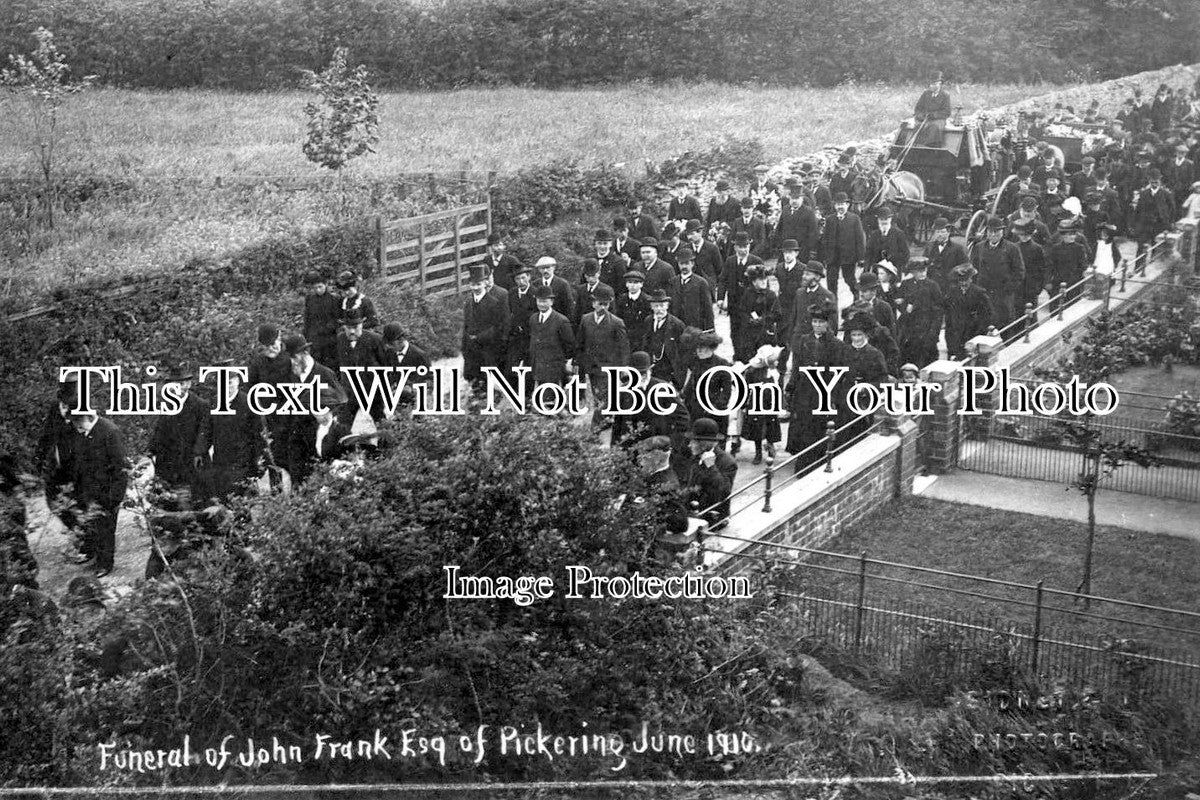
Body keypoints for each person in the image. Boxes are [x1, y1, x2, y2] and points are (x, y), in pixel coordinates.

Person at [784, 301, 847, 474]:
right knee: (803, 425)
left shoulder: (836, 345)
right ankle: (803, 462)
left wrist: (832, 397)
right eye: (815, 322)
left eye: (821, 322)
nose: (817, 325)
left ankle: (817, 461)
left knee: (819, 426)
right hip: (804, 391)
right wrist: (791, 388)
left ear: (827, 324)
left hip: (823, 392)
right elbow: (797, 366)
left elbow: (838, 374)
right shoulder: (804, 340)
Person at [69, 409, 130, 579]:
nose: (78, 429)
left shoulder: (110, 432)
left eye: (79, 424)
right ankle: (92, 555)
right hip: (88, 489)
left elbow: (121, 468)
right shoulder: (83, 431)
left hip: (107, 491)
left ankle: (105, 564)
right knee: (91, 525)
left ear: (87, 417)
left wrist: (115, 497)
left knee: (106, 529)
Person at [193, 367, 268, 503]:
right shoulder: (215, 403)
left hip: (242, 464)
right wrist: (199, 452)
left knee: (238, 503)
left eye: (230, 383)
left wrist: (259, 461)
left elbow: (260, 436)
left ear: (238, 381)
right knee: (221, 501)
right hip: (220, 462)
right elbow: (206, 429)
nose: (226, 387)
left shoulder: (249, 403)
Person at [148, 363, 208, 501]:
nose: (179, 387)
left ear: (188, 384)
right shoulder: (168, 404)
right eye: (176, 384)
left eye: (183, 383)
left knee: (193, 499)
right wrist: (152, 449)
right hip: (169, 460)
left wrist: (198, 452)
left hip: (191, 458)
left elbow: (204, 432)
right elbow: (160, 429)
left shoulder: (200, 405)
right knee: (167, 499)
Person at [576, 283, 630, 432]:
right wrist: (579, 363)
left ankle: (597, 429)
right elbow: (580, 343)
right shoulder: (585, 319)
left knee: (604, 399)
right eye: (600, 304)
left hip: (608, 368)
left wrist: (623, 368)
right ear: (593, 303)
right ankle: (605, 423)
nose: (603, 307)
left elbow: (624, 347)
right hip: (591, 367)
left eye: (606, 304)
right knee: (597, 397)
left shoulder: (616, 322)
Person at [676, 418, 736, 529]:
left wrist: (711, 467)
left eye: (693, 442)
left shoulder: (727, 462)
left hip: (713, 517)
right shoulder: (695, 457)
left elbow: (722, 492)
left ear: (703, 444)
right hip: (693, 512)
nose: (689, 445)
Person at [680, 332, 733, 451]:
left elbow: (726, 390)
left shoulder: (722, 364)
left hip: (713, 406)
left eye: (702, 348)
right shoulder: (695, 361)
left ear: (711, 349)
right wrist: (684, 395)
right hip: (695, 405)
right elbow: (692, 380)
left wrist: (718, 405)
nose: (699, 351)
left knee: (715, 437)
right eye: (697, 348)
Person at [335, 307, 389, 424]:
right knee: (343, 425)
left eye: (355, 327)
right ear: (344, 327)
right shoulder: (340, 339)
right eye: (348, 328)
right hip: (350, 393)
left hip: (373, 393)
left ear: (362, 325)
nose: (352, 331)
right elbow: (337, 365)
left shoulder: (375, 340)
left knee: (381, 424)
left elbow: (387, 366)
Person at [462, 264, 511, 392]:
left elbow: (498, 326)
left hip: (488, 347)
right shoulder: (468, 303)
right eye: (473, 285)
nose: (476, 288)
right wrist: (465, 346)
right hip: (472, 349)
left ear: (485, 283)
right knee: (474, 380)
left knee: (488, 379)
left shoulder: (493, 302)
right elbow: (466, 326)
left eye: (478, 284)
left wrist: (479, 337)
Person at [970, 216, 1025, 330]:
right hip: (984, 293)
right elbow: (973, 270)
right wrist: (977, 288)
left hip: (1003, 295)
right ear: (986, 232)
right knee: (984, 324)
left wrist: (1009, 288)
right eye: (990, 231)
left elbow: (1019, 272)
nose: (993, 234)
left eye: (997, 231)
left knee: (1005, 326)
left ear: (1002, 232)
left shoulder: (1012, 248)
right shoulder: (979, 247)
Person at [894, 258, 944, 369]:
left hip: (926, 326)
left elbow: (939, 310)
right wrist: (905, 307)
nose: (922, 273)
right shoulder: (906, 284)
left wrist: (934, 331)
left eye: (924, 270)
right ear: (912, 272)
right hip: (909, 326)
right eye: (918, 271)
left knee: (926, 358)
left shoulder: (933, 286)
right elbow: (898, 299)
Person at [718, 231, 764, 350]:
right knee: (735, 332)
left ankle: (750, 357)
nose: (743, 250)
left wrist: (761, 302)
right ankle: (737, 355)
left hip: (751, 305)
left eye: (746, 246)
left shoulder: (756, 261)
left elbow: (764, 285)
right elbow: (723, 280)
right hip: (734, 304)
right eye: (741, 247)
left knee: (750, 331)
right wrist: (720, 299)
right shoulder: (730, 261)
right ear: (735, 247)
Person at [739, 345, 783, 465]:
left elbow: (779, 388)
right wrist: (743, 404)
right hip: (756, 402)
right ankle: (758, 452)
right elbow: (746, 389)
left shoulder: (776, 373)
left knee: (771, 426)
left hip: (770, 403)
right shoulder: (752, 372)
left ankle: (770, 446)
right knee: (756, 428)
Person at [528, 283, 577, 389]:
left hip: (554, 367)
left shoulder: (561, 320)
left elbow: (569, 345)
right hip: (537, 365)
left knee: (551, 399)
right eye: (539, 301)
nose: (541, 304)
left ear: (551, 302)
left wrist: (565, 363)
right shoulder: (533, 319)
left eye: (544, 301)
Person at [0, 452, 37, 590]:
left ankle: (28, 584)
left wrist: (18, 498)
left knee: (15, 546)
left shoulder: (3, 460)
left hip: (7, 509)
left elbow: (15, 482)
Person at [820, 192, 866, 299]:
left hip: (848, 256)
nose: (840, 207)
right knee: (831, 281)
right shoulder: (830, 219)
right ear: (834, 206)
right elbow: (825, 238)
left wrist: (861, 257)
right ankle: (833, 304)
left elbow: (860, 239)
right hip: (833, 257)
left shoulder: (854, 219)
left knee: (849, 279)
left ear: (848, 205)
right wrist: (825, 256)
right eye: (837, 204)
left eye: (843, 204)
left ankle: (857, 298)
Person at [943, 264, 993, 359]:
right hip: (956, 334)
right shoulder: (952, 293)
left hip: (973, 333)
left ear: (971, 279)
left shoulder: (979, 293)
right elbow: (949, 317)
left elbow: (988, 315)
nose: (964, 283)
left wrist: (980, 331)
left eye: (966, 280)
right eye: (961, 281)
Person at [642, 290, 687, 389]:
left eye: (662, 305)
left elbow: (683, 353)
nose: (659, 309)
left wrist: (677, 377)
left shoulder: (677, 325)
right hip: (652, 367)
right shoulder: (648, 321)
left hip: (669, 369)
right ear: (651, 307)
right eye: (656, 306)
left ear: (667, 306)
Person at [734, 266, 779, 363]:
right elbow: (742, 311)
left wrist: (763, 319)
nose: (764, 282)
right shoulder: (747, 293)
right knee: (749, 359)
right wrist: (749, 319)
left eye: (765, 279)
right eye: (760, 279)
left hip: (766, 331)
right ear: (754, 282)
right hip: (750, 332)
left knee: (766, 360)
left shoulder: (771, 295)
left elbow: (777, 313)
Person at [1012, 221, 1048, 336]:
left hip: (1031, 288)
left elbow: (1042, 269)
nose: (1023, 237)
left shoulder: (1037, 248)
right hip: (1018, 287)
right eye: (1021, 235)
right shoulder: (1014, 247)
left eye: (1026, 235)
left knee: (1030, 315)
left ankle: (1031, 336)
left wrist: (1038, 287)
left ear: (1031, 234)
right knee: (1017, 314)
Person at [1047, 220, 1089, 315]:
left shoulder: (1080, 248)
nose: (1071, 237)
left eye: (1073, 234)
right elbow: (1050, 266)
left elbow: (1083, 265)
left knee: (1072, 308)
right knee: (1055, 309)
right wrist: (1048, 281)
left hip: (1074, 283)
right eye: (1068, 235)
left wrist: (1082, 273)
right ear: (1062, 236)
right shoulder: (1055, 248)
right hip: (1058, 282)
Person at [669, 247, 715, 332]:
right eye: (681, 263)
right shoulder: (673, 282)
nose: (684, 266)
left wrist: (710, 329)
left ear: (692, 263)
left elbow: (708, 308)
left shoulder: (701, 282)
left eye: (686, 263)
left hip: (695, 325)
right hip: (677, 325)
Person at [506, 263, 537, 382]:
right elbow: (509, 312)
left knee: (529, 367)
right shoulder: (512, 293)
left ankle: (529, 394)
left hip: (531, 335)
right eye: (518, 279)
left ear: (529, 277)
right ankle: (514, 392)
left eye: (523, 277)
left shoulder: (535, 293)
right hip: (516, 336)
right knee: (511, 365)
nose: (521, 281)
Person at [302, 271, 340, 367]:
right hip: (314, 337)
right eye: (315, 288)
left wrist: (327, 328)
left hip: (329, 338)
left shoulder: (334, 299)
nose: (318, 290)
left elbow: (337, 318)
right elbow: (307, 318)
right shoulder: (310, 299)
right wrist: (305, 334)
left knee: (330, 363)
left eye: (320, 287)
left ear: (325, 285)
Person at [923, 216, 968, 292]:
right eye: (937, 232)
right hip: (933, 287)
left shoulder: (957, 248)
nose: (940, 234)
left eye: (942, 232)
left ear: (948, 232)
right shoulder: (929, 247)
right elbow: (923, 265)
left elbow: (965, 267)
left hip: (950, 287)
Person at [865, 206, 910, 275]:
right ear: (878, 220)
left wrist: (898, 266)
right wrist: (867, 269)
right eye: (881, 219)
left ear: (890, 219)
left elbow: (905, 254)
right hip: (877, 272)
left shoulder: (899, 234)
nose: (883, 221)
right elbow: (868, 254)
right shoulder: (874, 235)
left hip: (894, 270)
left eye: (886, 219)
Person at [913, 71, 952, 147]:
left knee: (934, 127)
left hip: (938, 119)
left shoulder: (945, 95)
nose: (931, 86)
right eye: (930, 84)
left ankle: (932, 147)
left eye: (934, 84)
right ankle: (917, 147)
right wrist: (921, 116)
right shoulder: (926, 94)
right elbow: (918, 108)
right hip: (925, 119)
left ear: (940, 84)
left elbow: (947, 112)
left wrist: (934, 115)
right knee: (918, 126)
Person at [572, 259, 611, 333]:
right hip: (583, 329)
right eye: (587, 275)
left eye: (593, 275)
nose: (590, 279)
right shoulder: (581, 289)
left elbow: (611, 314)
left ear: (598, 273)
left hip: (600, 329)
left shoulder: (606, 290)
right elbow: (577, 312)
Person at [616, 269, 652, 347]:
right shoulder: (622, 299)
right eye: (630, 282)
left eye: (636, 282)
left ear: (641, 284)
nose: (632, 285)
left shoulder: (647, 300)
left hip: (641, 340)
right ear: (626, 284)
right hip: (624, 338)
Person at [684, 218, 723, 288]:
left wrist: (713, 283)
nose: (689, 237)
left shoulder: (712, 248)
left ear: (700, 232)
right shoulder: (686, 249)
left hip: (708, 287)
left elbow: (719, 269)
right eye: (688, 234)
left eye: (692, 234)